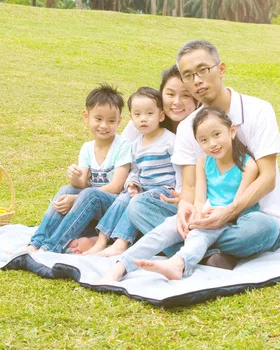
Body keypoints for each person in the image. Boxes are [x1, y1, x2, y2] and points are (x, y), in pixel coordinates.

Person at [125, 40, 280, 269]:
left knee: (262, 228)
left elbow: (267, 178)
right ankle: (213, 255)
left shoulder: (259, 110)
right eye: (188, 75)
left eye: (203, 70)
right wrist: (184, 208)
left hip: (252, 217)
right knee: (139, 206)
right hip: (206, 215)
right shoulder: (187, 127)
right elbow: (189, 187)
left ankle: (195, 251)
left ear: (221, 69)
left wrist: (228, 212)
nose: (197, 81)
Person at [102, 107, 260, 281]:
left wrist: (209, 220)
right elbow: (199, 199)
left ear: (231, 131)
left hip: (230, 220)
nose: (212, 144)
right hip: (205, 215)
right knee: (165, 229)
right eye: (204, 140)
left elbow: (237, 206)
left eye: (217, 135)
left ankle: (178, 263)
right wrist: (196, 216)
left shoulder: (248, 165)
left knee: (201, 235)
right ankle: (121, 265)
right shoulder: (202, 162)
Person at [68, 65, 197, 254]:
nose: (177, 102)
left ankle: (118, 242)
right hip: (139, 190)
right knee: (118, 198)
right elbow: (128, 163)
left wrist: (183, 197)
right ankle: (97, 239)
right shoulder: (142, 122)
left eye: (185, 95)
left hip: (176, 199)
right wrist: (129, 184)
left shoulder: (196, 128)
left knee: (137, 205)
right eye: (170, 94)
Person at [26, 84, 132, 254]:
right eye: (98, 119)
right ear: (86, 117)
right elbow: (81, 183)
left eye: (111, 121)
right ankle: (35, 243)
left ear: (119, 121)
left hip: (113, 206)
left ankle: (51, 247)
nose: (104, 125)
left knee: (89, 194)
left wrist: (76, 199)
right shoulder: (87, 148)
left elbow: (116, 187)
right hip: (89, 203)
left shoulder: (123, 146)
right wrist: (74, 176)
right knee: (66, 189)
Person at [81, 87, 176, 256]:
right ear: (131, 118)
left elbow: (180, 169)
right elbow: (135, 170)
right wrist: (132, 183)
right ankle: (101, 240)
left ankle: (121, 242)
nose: (143, 119)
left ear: (161, 115)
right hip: (143, 188)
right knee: (122, 199)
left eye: (149, 114)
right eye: (137, 115)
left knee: (135, 202)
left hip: (164, 189)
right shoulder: (135, 144)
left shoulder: (169, 141)